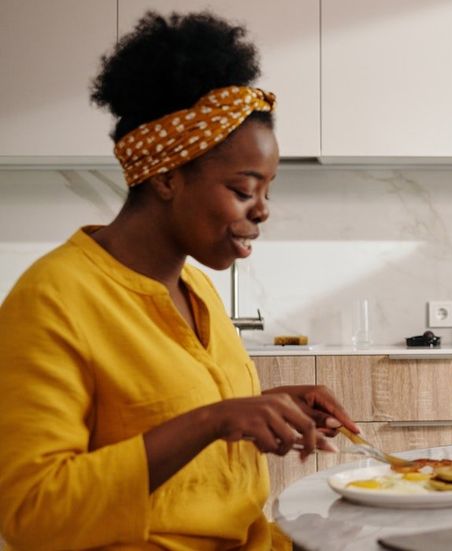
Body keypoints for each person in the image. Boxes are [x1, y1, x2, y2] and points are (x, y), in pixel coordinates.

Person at [0, 12, 358, 549]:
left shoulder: (197, 291)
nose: (262, 211)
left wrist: (266, 410)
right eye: (243, 189)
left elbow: (173, 417)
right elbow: (32, 514)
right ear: (167, 177)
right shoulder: (53, 299)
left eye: (267, 190)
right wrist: (214, 419)